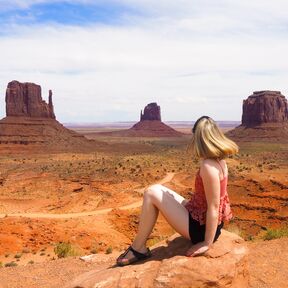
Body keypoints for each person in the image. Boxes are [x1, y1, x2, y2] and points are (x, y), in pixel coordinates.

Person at [116, 116, 238, 266]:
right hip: (203, 219)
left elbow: (213, 206)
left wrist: (207, 243)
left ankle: (138, 248)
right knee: (157, 189)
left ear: (199, 139)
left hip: (199, 229)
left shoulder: (208, 166)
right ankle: (138, 246)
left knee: (151, 193)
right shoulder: (220, 162)